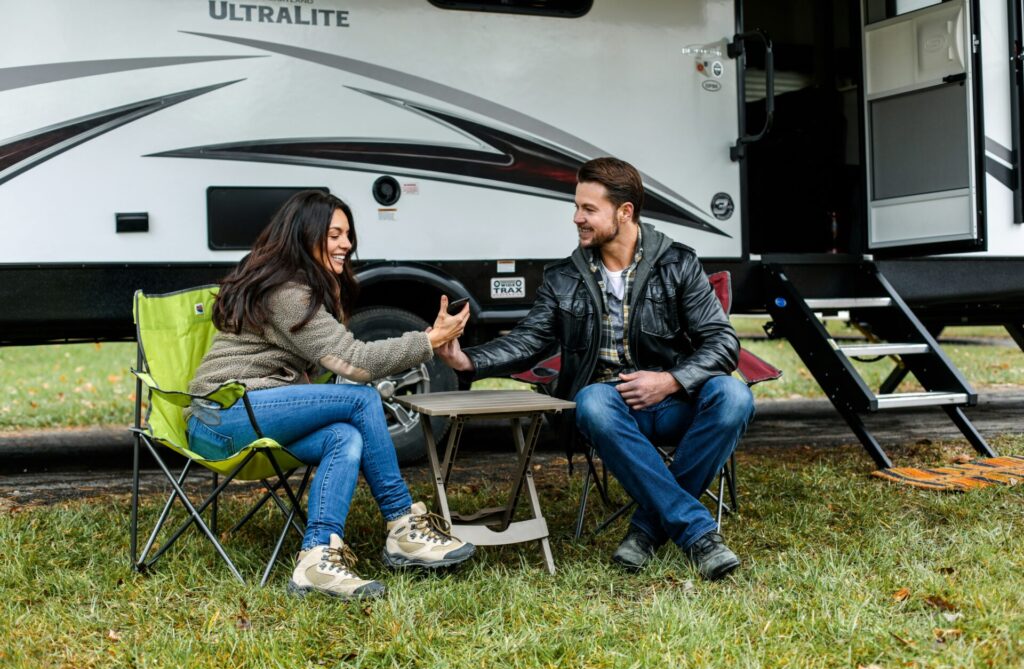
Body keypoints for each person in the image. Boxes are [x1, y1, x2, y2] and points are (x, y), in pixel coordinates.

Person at [437, 157, 754, 581]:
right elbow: (531, 339)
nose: (576, 218)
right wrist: (467, 360)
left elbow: (723, 342)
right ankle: (698, 533)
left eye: (588, 209)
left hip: (678, 402)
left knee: (734, 395)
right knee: (592, 399)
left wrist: (670, 380)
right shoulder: (564, 277)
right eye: (576, 207)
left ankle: (647, 529)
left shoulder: (677, 264)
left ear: (624, 212)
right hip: (612, 413)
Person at [185, 189, 475, 600]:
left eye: (348, 234)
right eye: (335, 234)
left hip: (252, 414)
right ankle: (401, 524)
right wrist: (427, 340)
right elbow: (354, 363)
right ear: (304, 235)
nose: (347, 244)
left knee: (346, 436)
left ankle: (317, 558)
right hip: (220, 417)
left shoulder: (302, 287)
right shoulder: (286, 292)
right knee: (361, 397)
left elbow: (332, 360)